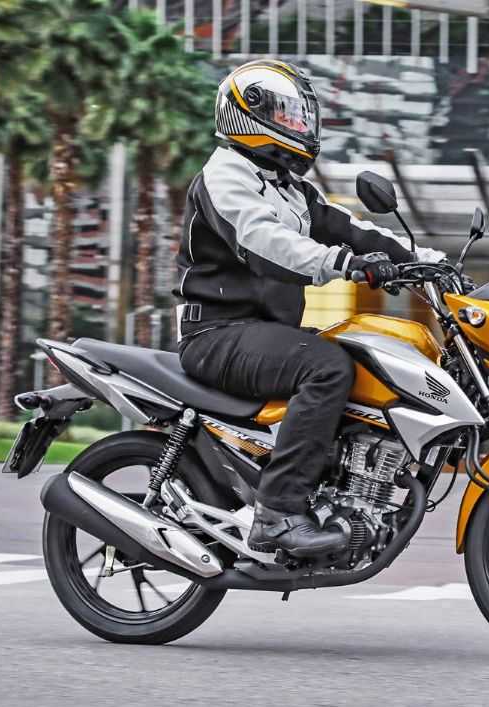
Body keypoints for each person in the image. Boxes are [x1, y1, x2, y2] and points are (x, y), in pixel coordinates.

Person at [175, 59, 445, 558]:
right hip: (217, 334)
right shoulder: (225, 175)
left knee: (363, 358)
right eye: (288, 114)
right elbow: (262, 241)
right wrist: (342, 264)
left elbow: (352, 228)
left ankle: (336, 491)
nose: (299, 124)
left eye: (301, 115)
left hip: (264, 332)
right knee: (327, 367)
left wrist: (430, 262)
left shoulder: (289, 187)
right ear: (251, 114)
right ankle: (276, 515)